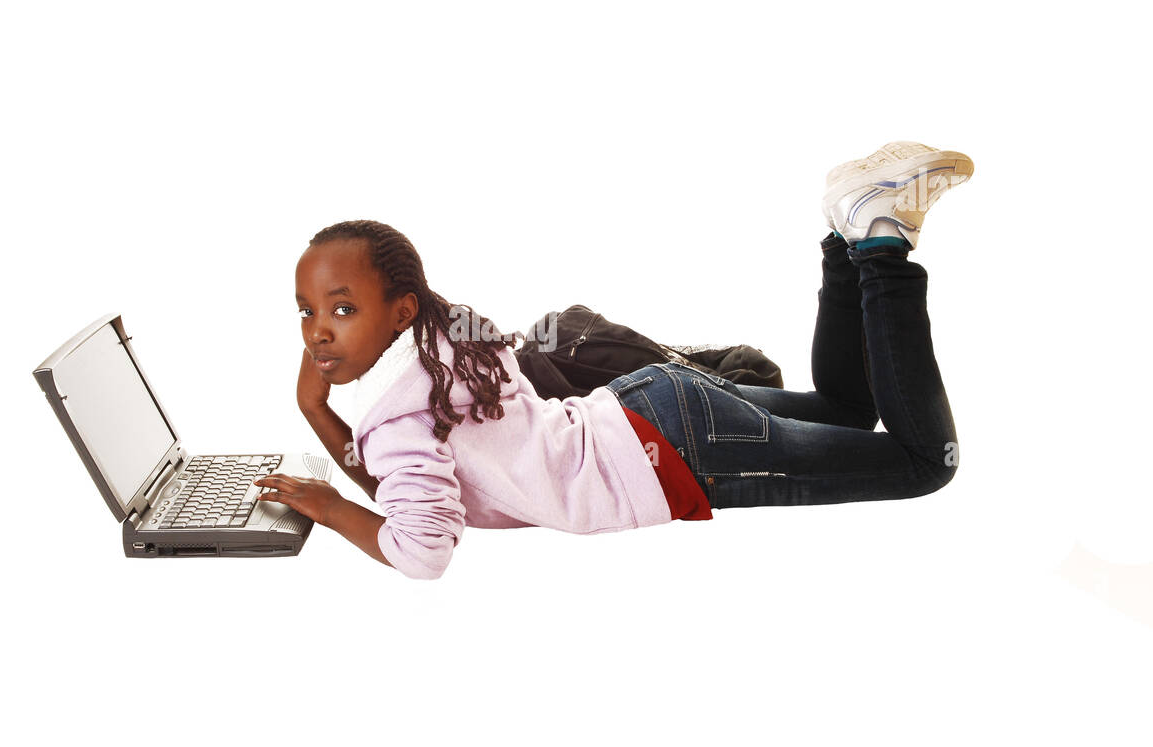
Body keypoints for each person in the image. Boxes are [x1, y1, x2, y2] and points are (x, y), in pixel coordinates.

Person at [255, 140, 974, 579]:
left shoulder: (399, 426)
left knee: (923, 462)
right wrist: (317, 408)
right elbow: (406, 485)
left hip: (668, 444)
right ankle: (847, 235)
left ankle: (878, 242)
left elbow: (420, 549)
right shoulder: (446, 350)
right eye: (307, 311)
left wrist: (327, 504)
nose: (319, 331)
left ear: (400, 310)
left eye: (341, 309)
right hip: (648, 404)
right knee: (848, 413)